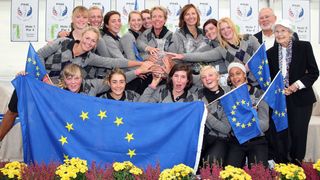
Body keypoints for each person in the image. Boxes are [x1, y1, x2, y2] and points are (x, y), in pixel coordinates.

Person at [267, 19, 319, 164]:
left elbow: (314, 72)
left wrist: (296, 85)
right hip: (279, 100)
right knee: (280, 132)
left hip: (301, 98)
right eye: (277, 31)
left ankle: (296, 165)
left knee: (298, 133)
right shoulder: (269, 53)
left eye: (283, 30)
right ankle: (281, 164)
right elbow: (268, 78)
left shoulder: (304, 47)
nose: (279, 34)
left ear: (290, 32)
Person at [169, 17, 261, 87]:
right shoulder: (222, 49)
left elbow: (262, 56)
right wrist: (182, 56)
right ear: (220, 32)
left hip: (259, 81)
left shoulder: (249, 39)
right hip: (238, 86)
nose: (226, 31)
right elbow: (201, 56)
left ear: (233, 27)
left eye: (228, 27)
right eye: (222, 29)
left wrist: (251, 65)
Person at [37, 27, 146, 83]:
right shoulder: (63, 42)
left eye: (93, 41)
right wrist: (44, 76)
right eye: (87, 38)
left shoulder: (89, 58)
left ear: (95, 44)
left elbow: (113, 62)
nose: (89, 42)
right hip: (40, 81)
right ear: (81, 37)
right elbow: (39, 55)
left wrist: (141, 63)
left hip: (59, 89)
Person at [225, 61, 269, 168]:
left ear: (244, 74)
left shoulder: (259, 94)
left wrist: (251, 118)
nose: (235, 77)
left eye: (238, 73)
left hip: (257, 140)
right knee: (230, 173)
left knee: (260, 174)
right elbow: (227, 125)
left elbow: (265, 126)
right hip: (237, 140)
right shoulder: (227, 96)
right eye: (231, 75)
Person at [196, 65, 231, 167]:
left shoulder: (228, 95)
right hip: (199, 138)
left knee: (211, 164)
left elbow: (225, 129)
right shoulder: (196, 95)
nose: (207, 79)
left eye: (210, 75)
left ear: (218, 76)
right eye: (203, 77)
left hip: (219, 139)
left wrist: (207, 115)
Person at [168, 4, 209, 74]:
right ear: (183, 18)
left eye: (193, 13)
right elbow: (173, 59)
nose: (191, 16)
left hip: (205, 73)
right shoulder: (177, 35)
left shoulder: (205, 33)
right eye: (187, 14)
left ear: (197, 16)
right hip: (186, 74)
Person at [202, 18, 228, 86]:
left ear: (218, 28)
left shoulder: (229, 44)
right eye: (206, 31)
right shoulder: (206, 48)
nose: (209, 32)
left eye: (211, 28)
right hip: (214, 85)